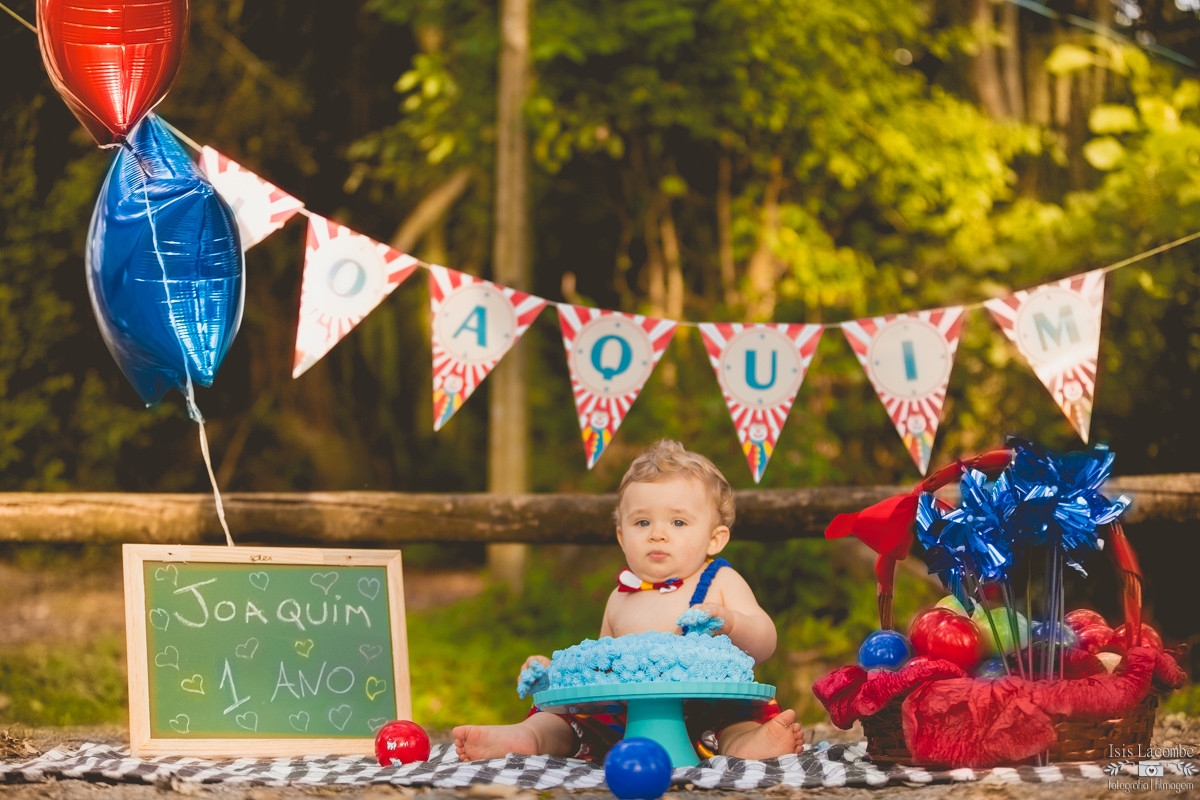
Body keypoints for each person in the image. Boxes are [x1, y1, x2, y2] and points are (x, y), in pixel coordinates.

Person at [453, 439, 805, 761]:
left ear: (715, 539)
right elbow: (599, 668)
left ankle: (750, 745)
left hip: (710, 705)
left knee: (735, 726)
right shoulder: (620, 596)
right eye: (642, 522)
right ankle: (526, 740)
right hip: (624, 715)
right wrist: (558, 676)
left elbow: (766, 641)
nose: (657, 533)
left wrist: (731, 622)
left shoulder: (720, 581)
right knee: (561, 719)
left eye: (678, 522)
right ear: (622, 536)